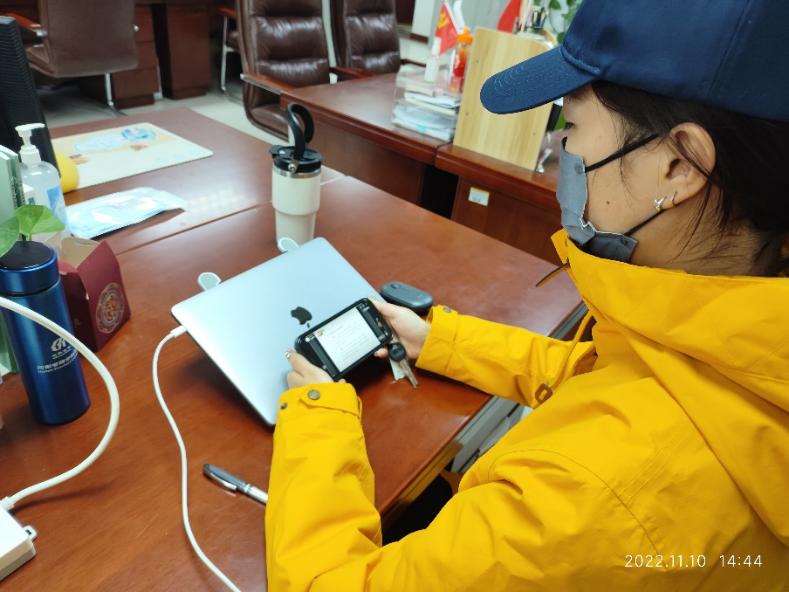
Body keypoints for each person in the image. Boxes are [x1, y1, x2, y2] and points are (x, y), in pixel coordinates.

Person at [268, 0, 789, 589]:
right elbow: (601, 377)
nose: (562, 151)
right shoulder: (741, 339)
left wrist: (318, 418)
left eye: (573, 128)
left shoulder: (590, 497)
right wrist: (442, 340)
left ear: (679, 165)